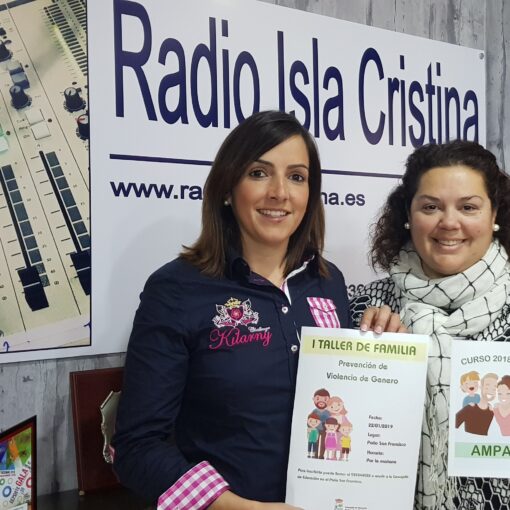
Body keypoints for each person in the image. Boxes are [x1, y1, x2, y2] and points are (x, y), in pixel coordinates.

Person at [112, 110, 356, 510]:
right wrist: (238, 507)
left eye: (297, 177)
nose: (280, 192)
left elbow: (344, 403)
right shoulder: (176, 290)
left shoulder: (328, 283)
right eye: (259, 173)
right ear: (227, 188)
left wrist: (382, 346)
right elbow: (137, 447)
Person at [350, 140, 510, 509]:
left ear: (494, 214)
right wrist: (372, 356)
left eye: (468, 207)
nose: (449, 222)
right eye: (431, 207)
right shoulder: (363, 309)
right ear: (408, 215)